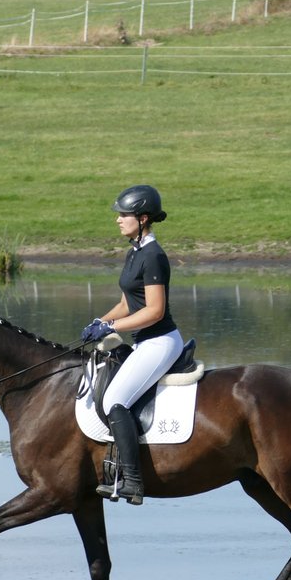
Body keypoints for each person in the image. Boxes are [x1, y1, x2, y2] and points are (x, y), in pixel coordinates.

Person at [80, 184, 184, 505]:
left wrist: (112, 327)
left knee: (115, 400)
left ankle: (134, 482)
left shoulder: (153, 256)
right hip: (144, 341)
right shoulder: (135, 252)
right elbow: (129, 301)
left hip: (160, 341)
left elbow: (153, 311)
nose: (118, 220)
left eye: (123, 215)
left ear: (142, 218)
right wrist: (101, 320)